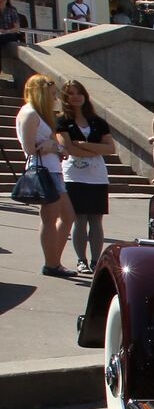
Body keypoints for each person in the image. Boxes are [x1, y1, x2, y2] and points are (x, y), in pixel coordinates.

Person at [15, 75, 76, 277]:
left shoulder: (39, 113)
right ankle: (52, 264)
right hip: (44, 171)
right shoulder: (30, 113)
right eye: (50, 94)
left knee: (67, 216)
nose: (53, 97)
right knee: (50, 217)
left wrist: (57, 148)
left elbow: (48, 143)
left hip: (53, 170)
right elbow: (29, 148)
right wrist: (51, 147)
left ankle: (54, 261)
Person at [56, 79, 114, 276]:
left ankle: (97, 260)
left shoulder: (98, 122)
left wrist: (83, 145)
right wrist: (92, 148)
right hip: (74, 175)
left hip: (97, 176)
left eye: (79, 92)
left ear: (85, 96)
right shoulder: (62, 121)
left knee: (96, 219)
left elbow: (110, 148)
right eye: (71, 93)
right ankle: (81, 260)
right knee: (79, 219)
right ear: (65, 98)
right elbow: (69, 148)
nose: (75, 96)